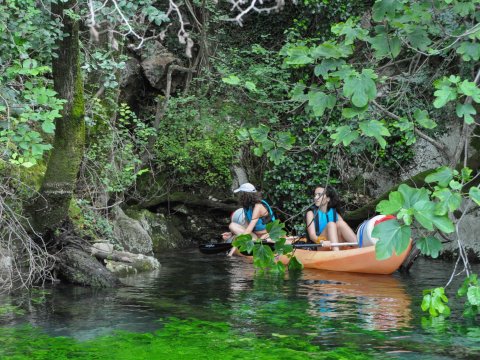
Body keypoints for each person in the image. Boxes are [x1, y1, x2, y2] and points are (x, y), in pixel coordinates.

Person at [225, 182, 276, 256]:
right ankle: (254, 240)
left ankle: (259, 241)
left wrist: (233, 250)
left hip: (267, 234)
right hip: (254, 235)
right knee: (232, 225)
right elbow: (247, 225)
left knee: (255, 236)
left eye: (241, 194)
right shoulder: (246, 206)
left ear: (245, 195)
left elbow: (249, 229)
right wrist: (232, 233)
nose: (239, 196)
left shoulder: (258, 206)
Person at [305, 186, 356, 251]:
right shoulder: (311, 213)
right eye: (315, 195)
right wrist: (321, 241)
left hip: (334, 243)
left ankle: (360, 247)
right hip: (321, 245)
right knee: (331, 224)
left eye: (319, 195)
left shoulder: (335, 213)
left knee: (340, 223)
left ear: (328, 199)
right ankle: (336, 254)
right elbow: (312, 236)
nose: (316, 197)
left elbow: (344, 229)